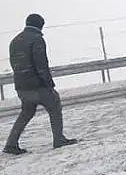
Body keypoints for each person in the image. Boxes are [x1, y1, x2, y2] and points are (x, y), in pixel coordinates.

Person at [3, 14, 77, 155]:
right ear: (40, 25)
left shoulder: (15, 40)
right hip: (38, 86)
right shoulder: (37, 39)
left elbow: (15, 64)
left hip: (22, 87)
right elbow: (41, 65)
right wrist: (50, 85)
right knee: (55, 106)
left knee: (26, 113)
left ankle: (11, 144)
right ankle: (58, 139)